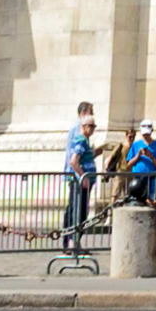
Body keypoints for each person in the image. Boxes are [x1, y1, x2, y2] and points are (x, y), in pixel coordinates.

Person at [61, 103, 101, 253]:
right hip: (79, 181)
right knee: (77, 211)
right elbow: (74, 159)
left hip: (82, 179)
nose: (93, 128)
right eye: (91, 125)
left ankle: (74, 242)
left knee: (79, 211)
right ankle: (71, 243)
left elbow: (83, 156)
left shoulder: (83, 137)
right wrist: (83, 176)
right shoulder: (79, 135)